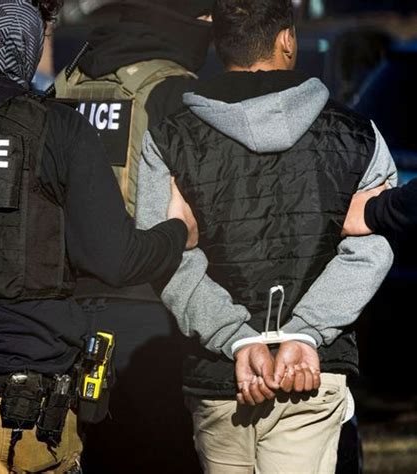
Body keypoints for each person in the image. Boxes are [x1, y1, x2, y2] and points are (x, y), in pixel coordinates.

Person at [136, 0, 397, 472]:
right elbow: (371, 247)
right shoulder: (359, 134)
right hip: (311, 370)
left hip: (221, 374)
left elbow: (167, 255)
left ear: (219, 45)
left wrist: (235, 337)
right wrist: (308, 331)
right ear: (287, 40)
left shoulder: (168, 138)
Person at [0, 1, 197, 473]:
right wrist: (177, 231)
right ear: (26, 38)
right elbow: (115, 260)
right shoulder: (57, 127)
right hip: (33, 417)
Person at [53, 1, 213, 472]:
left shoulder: (67, 82)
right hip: (150, 312)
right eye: (205, 16)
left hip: (65, 311)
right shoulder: (175, 90)